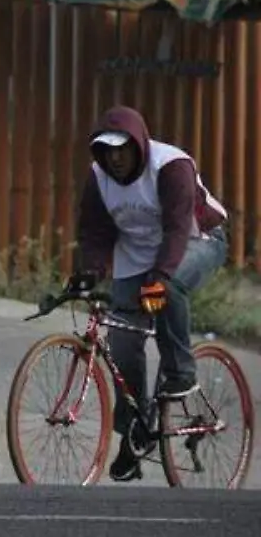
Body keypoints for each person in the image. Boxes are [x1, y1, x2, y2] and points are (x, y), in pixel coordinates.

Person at [71, 104, 227, 482]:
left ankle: (180, 371)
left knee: (168, 288)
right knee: (122, 343)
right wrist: (88, 272)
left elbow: (177, 229)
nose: (116, 157)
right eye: (107, 150)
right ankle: (137, 432)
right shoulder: (99, 176)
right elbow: (94, 232)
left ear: (139, 144)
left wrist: (158, 277)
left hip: (195, 241)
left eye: (123, 148)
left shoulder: (171, 166)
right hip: (136, 257)